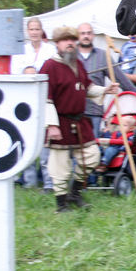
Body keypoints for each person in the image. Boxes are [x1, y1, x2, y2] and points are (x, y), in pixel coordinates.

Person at [40, 26, 119, 212]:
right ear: (57, 43)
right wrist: (52, 125)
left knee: (92, 156)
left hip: (79, 120)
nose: (70, 43)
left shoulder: (77, 64)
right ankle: (61, 204)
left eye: (72, 40)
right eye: (65, 40)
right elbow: (45, 98)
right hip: (60, 121)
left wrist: (106, 90)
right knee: (60, 165)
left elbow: (87, 88)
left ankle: (74, 193)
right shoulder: (49, 66)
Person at [75, 22, 136, 137]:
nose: (86, 36)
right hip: (75, 111)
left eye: (89, 33)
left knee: (94, 146)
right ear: (78, 36)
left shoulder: (103, 55)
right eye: (82, 33)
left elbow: (120, 77)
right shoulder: (71, 56)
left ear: (93, 35)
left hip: (94, 111)